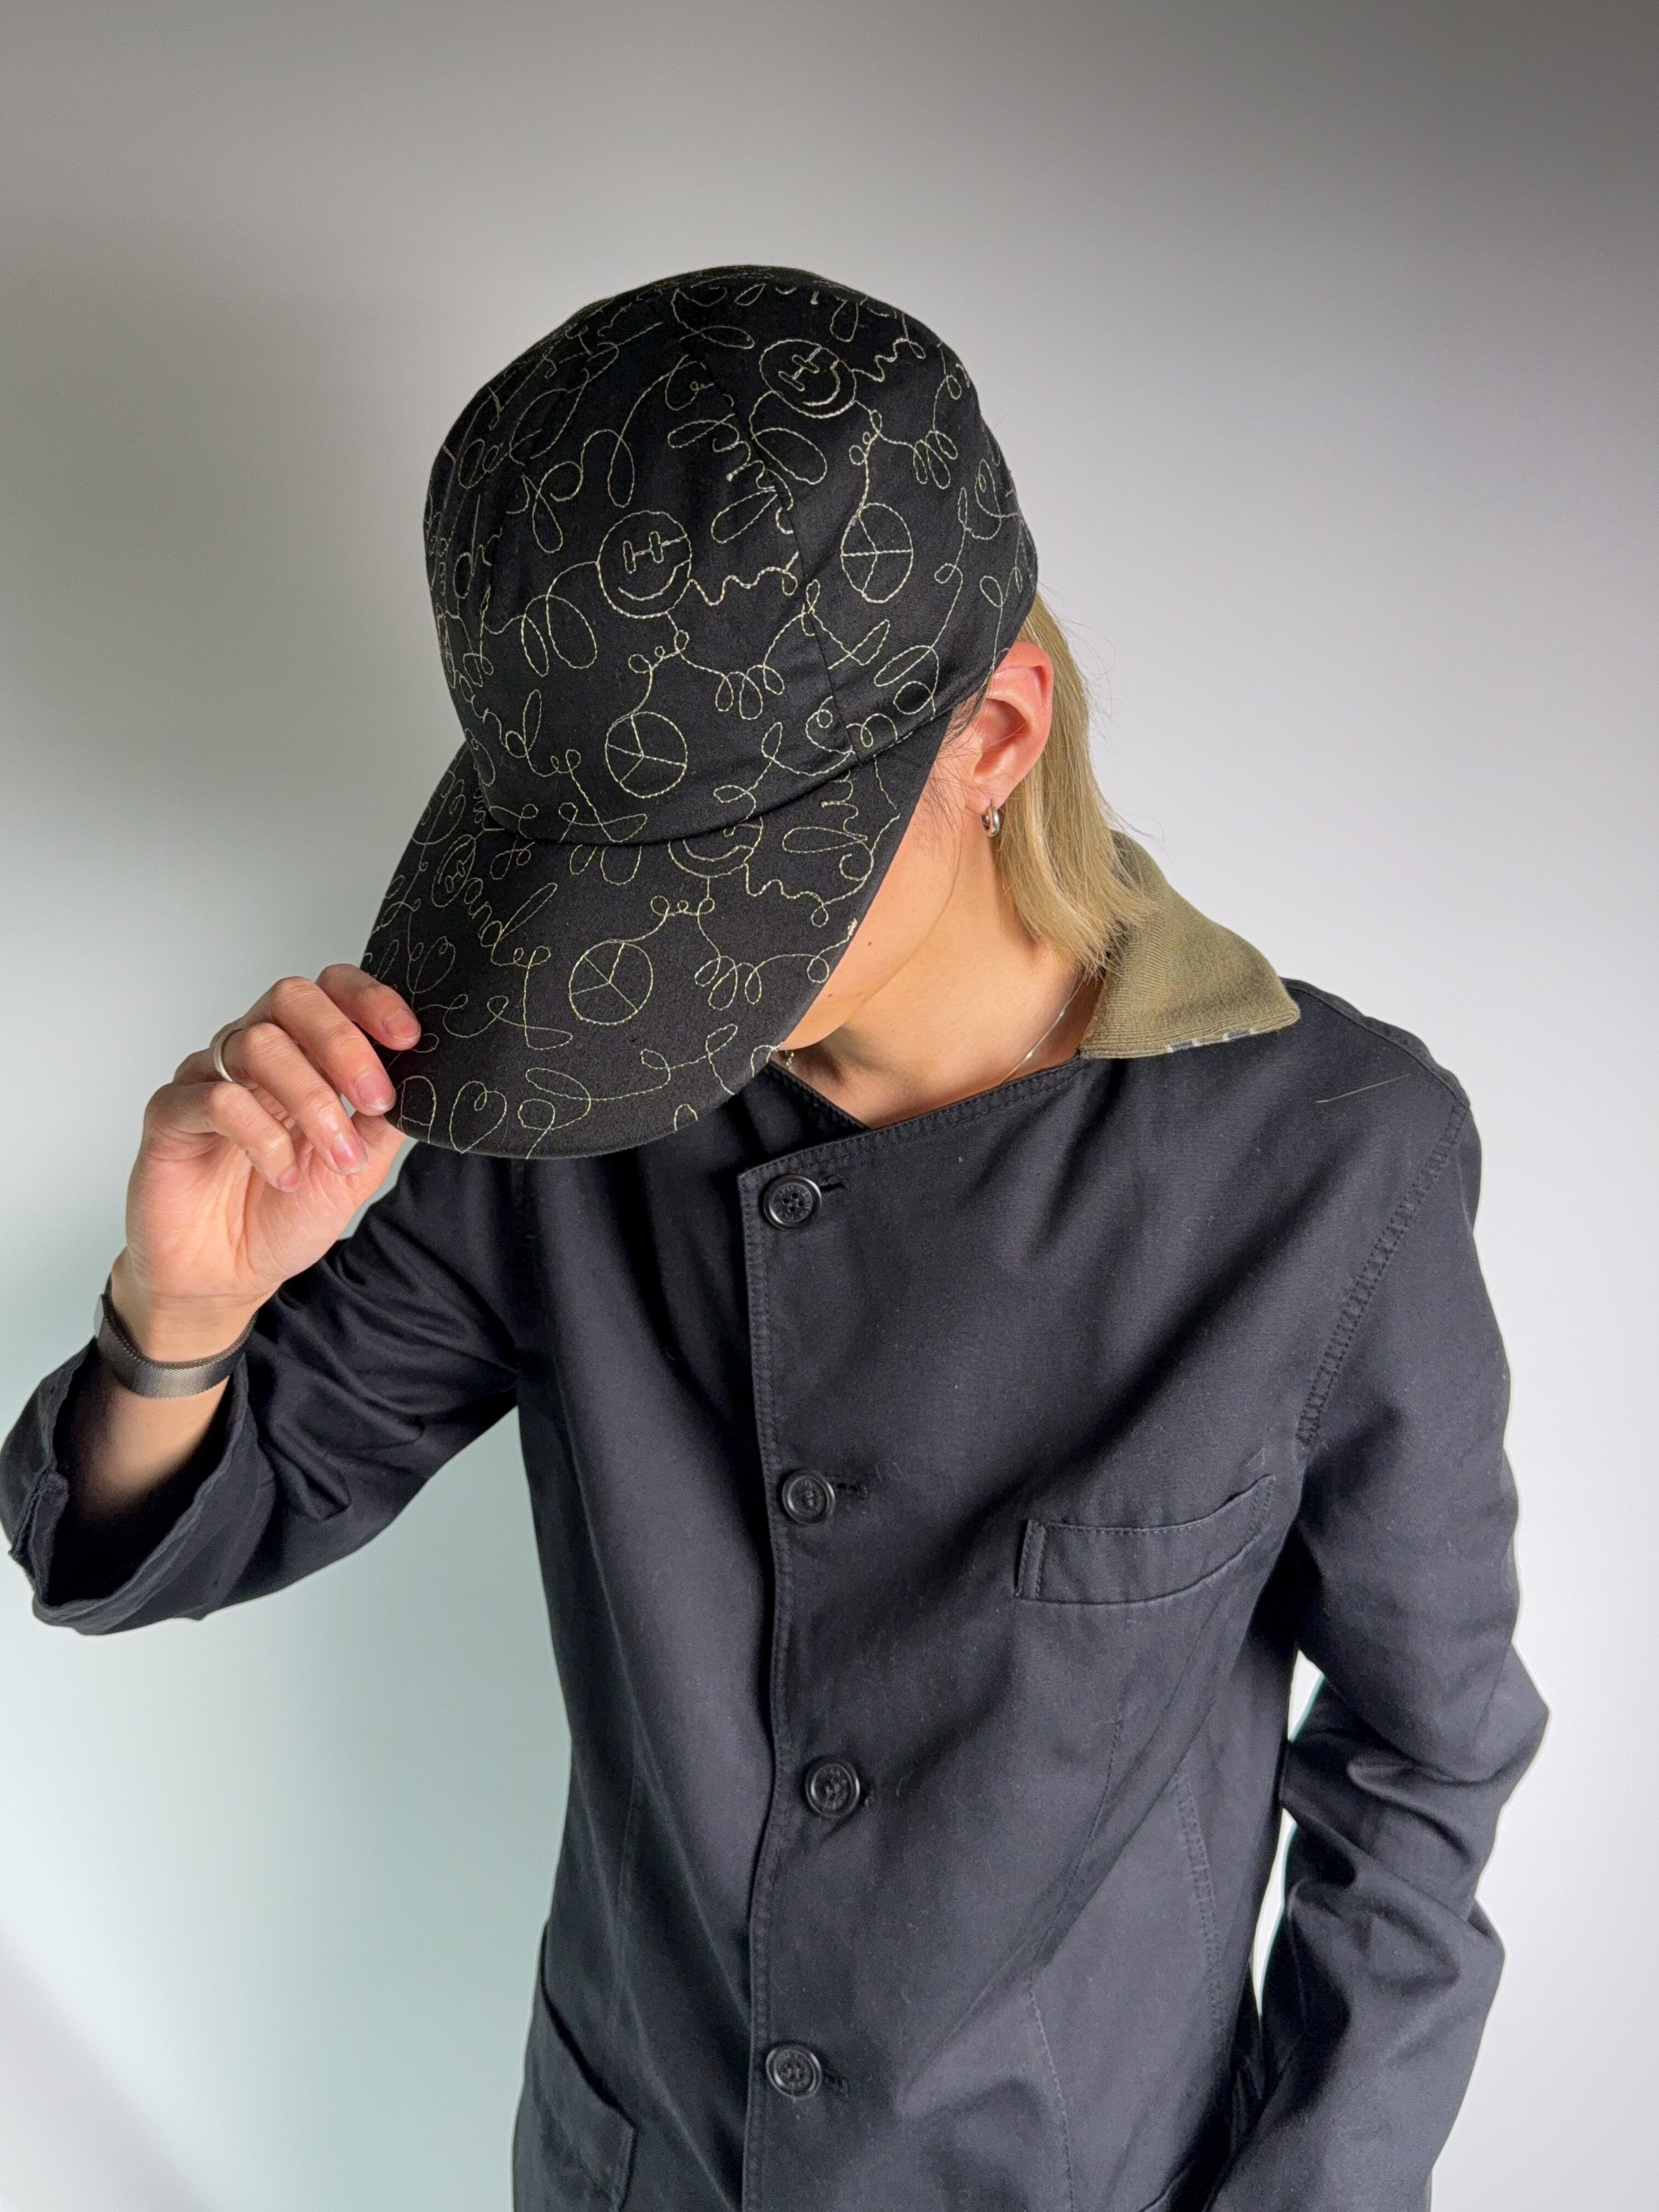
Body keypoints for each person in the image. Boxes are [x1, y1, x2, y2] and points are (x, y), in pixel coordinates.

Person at [1, 266, 1544, 2212]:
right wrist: (182, 1312)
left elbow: (1422, 1764)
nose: (638, 957)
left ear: (995, 735)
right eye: (606, 866)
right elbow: (166, 1541)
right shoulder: (561, 1097)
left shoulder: (1328, 1160)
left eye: (728, 867)